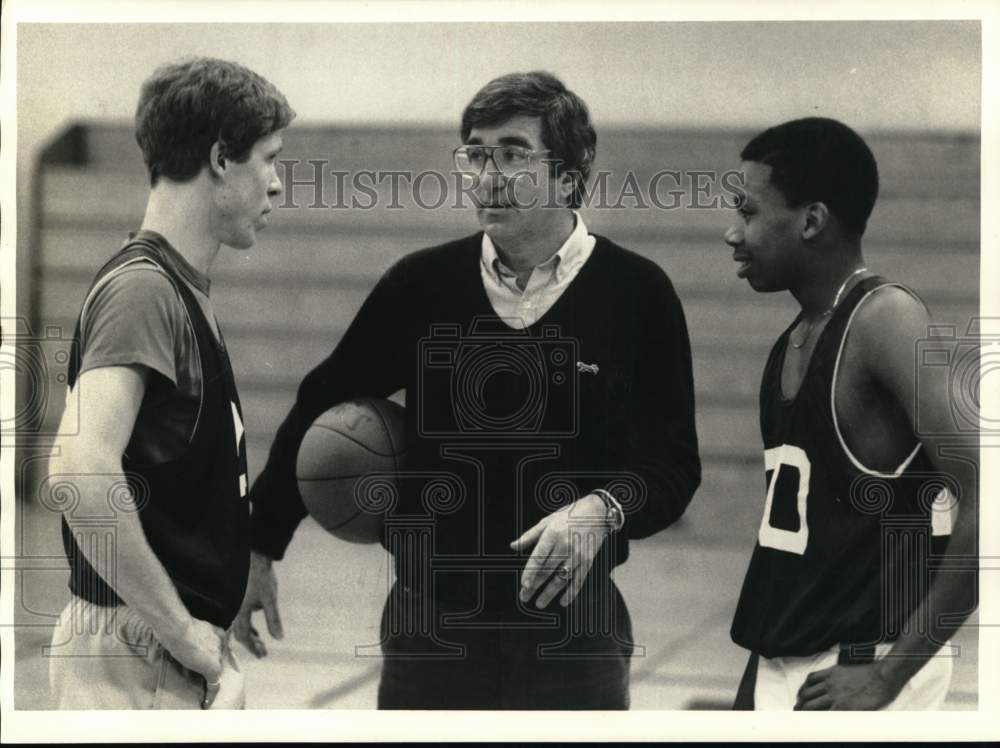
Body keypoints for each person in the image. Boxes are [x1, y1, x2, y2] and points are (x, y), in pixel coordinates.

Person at [236, 70, 701, 709]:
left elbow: (672, 466)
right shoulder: (421, 285)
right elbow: (320, 403)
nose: (488, 174)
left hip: (573, 627)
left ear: (569, 175)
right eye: (476, 154)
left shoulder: (638, 293)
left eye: (512, 153)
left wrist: (602, 509)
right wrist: (261, 543)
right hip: (431, 625)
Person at [46, 57, 293, 709]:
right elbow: (79, 471)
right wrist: (182, 630)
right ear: (220, 158)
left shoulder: (177, 286)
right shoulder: (144, 291)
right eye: (268, 159)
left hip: (157, 652)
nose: (276, 185)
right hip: (139, 657)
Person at [724, 117, 978, 710]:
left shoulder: (884, 319)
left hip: (858, 666)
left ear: (812, 220)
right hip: (789, 657)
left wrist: (889, 676)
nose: (732, 234)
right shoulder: (797, 336)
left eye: (749, 212)